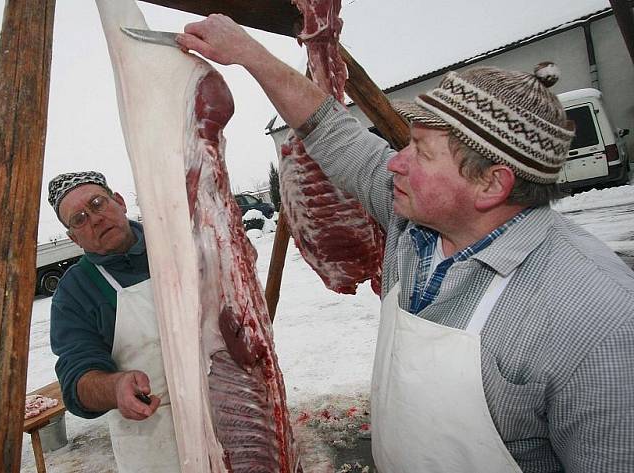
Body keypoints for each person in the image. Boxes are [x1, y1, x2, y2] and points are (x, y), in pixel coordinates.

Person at [177, 15, 634, 473]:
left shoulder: (598, 321)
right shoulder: (413, 220)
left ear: (491, 185)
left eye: (421, 151)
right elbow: (330, 130)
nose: (395, 160)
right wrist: (249, 53)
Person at [47, 171, 179, 472]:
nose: (94, 219)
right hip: (153, 444)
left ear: (119, 202)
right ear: (73, 237)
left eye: (97, 203)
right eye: (79, 219)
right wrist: (114, 387)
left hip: (227, 412)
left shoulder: (176, 244)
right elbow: (76, 378)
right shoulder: (75, 291)